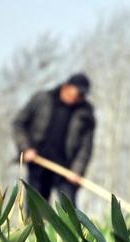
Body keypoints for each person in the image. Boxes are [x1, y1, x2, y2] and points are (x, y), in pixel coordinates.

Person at [12, 73, 96, 209]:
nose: (79, 98)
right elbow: (19, 124)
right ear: (66, 87)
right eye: (77, 93)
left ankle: (70, 230)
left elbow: (86, 146)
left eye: (82, 95)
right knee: (36, 209)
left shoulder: (86, 112)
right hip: (38, 162)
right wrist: (26, 148)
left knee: (69, 211)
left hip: (66, 169)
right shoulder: (42, 99)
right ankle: (32, 230)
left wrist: (77, 169)